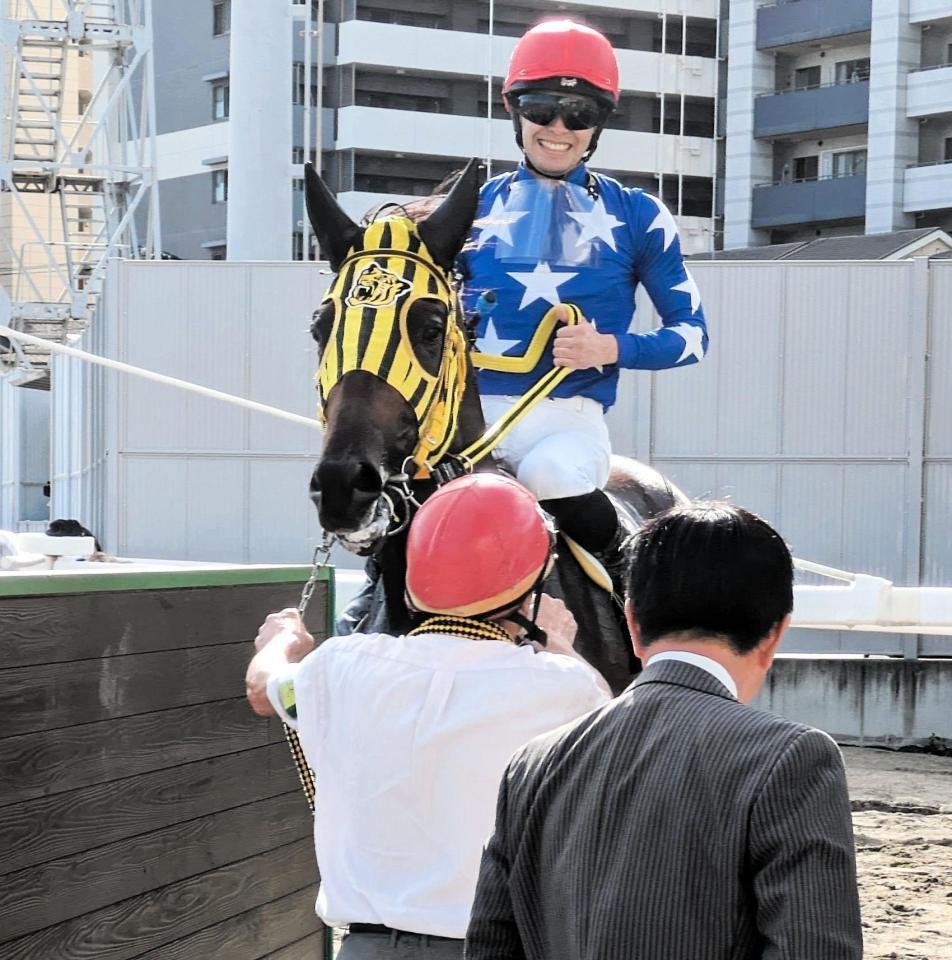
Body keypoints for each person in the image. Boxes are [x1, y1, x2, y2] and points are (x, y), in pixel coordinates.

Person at [465, 502, 863, 960]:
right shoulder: (790, 756)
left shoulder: (533, 763)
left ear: (632, 622)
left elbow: (490, 946)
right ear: (775, 633)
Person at [245, 473, 610, 959]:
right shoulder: (561, 686)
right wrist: (560, 642)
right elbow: (610, 716)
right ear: (529, 590)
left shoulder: (340, 665)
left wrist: (284, 640)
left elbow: (262, 688)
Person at [458, 19, 708, 587]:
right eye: (541, 108)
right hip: (473, 422)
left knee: (548, 475)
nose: (558, 128)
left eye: (581, 114)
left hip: (567, 430)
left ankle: (638, 596)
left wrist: (610, 347)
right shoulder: (468, 205)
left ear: (599, 125)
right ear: (514, 111)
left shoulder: (640, 215)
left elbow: (693, 336)